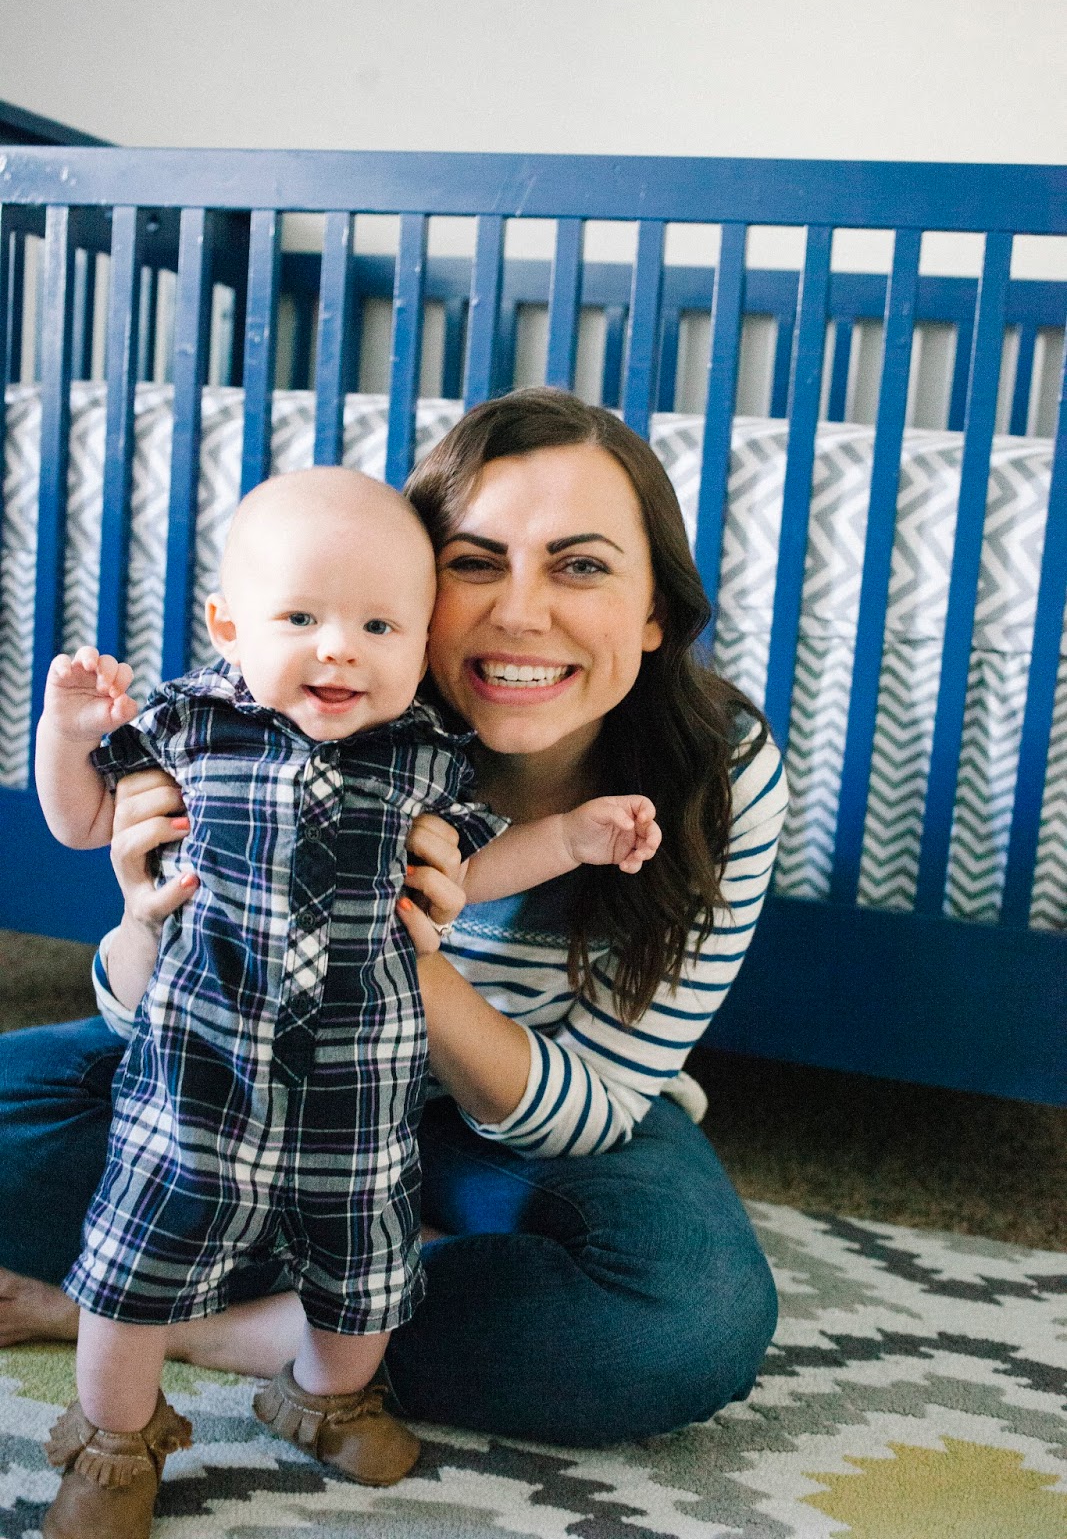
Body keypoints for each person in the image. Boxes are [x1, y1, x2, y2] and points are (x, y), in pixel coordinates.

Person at [0, 388, 787, 1476]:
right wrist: (148, 917)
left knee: (680, 1317)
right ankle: (339, 1269)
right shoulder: (289, 711)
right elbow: (138, 1023)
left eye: (581, 565)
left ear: (657, 610)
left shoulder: (714, 775)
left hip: (510, 1120)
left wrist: (395, 954)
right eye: (475, 562)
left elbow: (593, 1108)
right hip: (237, 1068)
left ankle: (144, 1317)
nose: (519, 613)